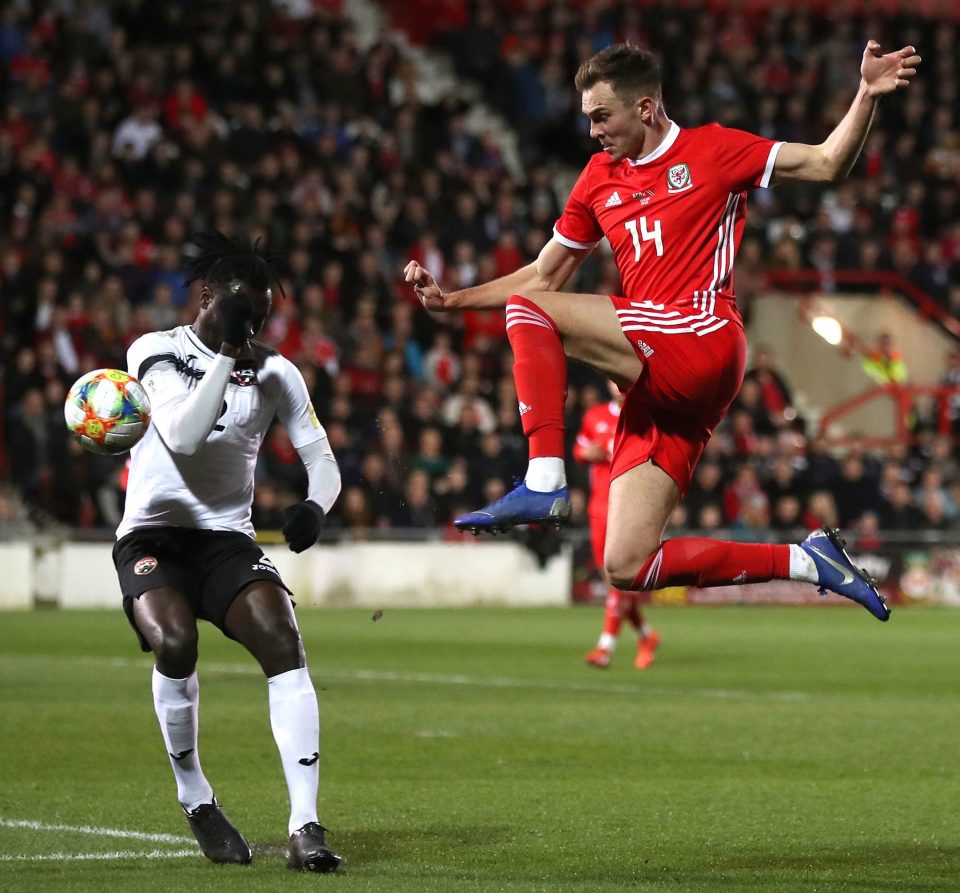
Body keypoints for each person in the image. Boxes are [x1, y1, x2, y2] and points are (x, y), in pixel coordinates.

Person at [405, 40, 922, 623]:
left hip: (702, 336)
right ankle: (809, 562)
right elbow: (545, 272)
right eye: (587, 118)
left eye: (602, 116)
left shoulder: (715, 150)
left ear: (646, 108)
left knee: (530, 312)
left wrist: (866, 94)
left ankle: (544, 480)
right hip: (658, 377)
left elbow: (827, 162)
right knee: (626, 563)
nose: (593, 130)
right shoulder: (599, 177)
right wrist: (452, 302)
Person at [113, 231, 342, 872]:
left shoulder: (277, 372)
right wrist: (226, 354)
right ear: (206, 297)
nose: (254, 325)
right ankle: (197, 799)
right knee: (175, 643)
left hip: (225, 541)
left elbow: (322, 461)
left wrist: (315, 507)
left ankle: (305, 828)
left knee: (282, 635)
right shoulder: (153, 352)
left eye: (262, 316)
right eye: (242, 310)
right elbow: (183, 437)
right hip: (152, 535)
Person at [576, 382, 660, 669]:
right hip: (599, 506)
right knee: (614, 579)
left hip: (628, 507)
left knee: (618, 576)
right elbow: (579, 449)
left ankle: (605, 647)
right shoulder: (595, 416)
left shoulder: (645, 419)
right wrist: (589, 454)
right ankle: (646, 636)